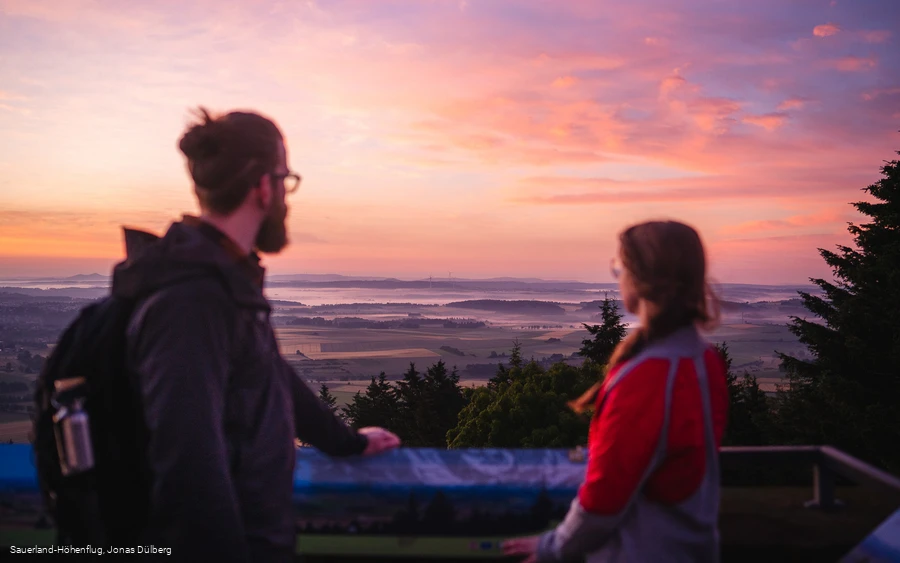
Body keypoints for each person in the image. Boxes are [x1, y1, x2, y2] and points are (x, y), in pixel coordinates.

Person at [112, 107, 401, 562]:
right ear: (265, 187)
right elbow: (189, 465)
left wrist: (347, 442)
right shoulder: (194, 299)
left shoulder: (221, 280)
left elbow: (267, 371)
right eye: (286, 180)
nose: (287, 195)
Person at [503, 220, 729, 563]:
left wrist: (552, 546)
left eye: (619, 268)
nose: (618, 277)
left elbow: (606, 495)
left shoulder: (649, 378)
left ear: (641, 280)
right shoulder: (704, 359)